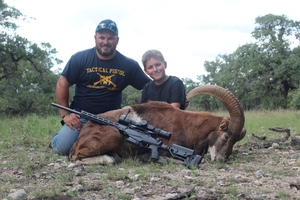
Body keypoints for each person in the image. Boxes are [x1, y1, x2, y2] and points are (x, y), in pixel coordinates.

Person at [50, 19, 151, 156]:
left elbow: (150, 87)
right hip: (81, 118)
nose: (105, 42)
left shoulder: (129, 65)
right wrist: (66, 115)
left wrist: (174, 95)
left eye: (110, 38)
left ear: (117, 40)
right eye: (102, 37)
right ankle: (57, 139)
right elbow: (62, 84)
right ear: (95, 38)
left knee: (132, 148)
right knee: (62, 149)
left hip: (113, 119)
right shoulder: (79, 59)